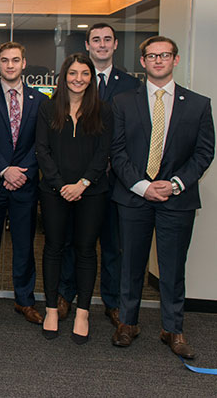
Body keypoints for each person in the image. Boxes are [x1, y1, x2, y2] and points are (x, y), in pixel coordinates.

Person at [110, 36, 214, 359]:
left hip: (177, 200)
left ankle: (173, 329)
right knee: (131, 265)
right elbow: (117, 151)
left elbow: (204, 152)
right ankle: (128, 323)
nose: (158, 60)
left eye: (164, 55)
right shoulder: (124, 102)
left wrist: (176, 184)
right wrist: (142, 185)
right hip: (134, 197)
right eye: (152, 56)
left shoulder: (198, 104)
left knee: (172, 268)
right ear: (142, 62)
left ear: (175, 60)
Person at [58, 23, 139, 326]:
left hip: (116, 182)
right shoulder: (75, 82)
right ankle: (66, 295)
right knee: (70, 242)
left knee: (112, 244)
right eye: (96, 40)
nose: (102, 45)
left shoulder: (131, 85)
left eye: (107, 40)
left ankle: (112, 302)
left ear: (115, 44)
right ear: (88, 44)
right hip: (75, 183)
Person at [35, 53, 112, 344]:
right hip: (54, 192)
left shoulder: (103, 111)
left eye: (84, 73)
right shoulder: (47, 108)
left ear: (91, 78)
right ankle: (52, 308)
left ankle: (82, 312)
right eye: (72, 73)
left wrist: (81, 184)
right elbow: (42, 150)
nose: (78, 79)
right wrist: (60, 185)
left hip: (92, 192)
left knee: (85, 250)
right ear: (64, 76)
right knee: (53, 248)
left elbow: (103, 153)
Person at [0, 42, 47, 325]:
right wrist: (5, 170)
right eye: (5, 60)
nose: (10, 65)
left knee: (24, 244)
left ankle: (25, 300)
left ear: (24, 63)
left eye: (16, 60)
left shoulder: (40, 100)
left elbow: (42, 142)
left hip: (25, 184)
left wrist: (22, 173)